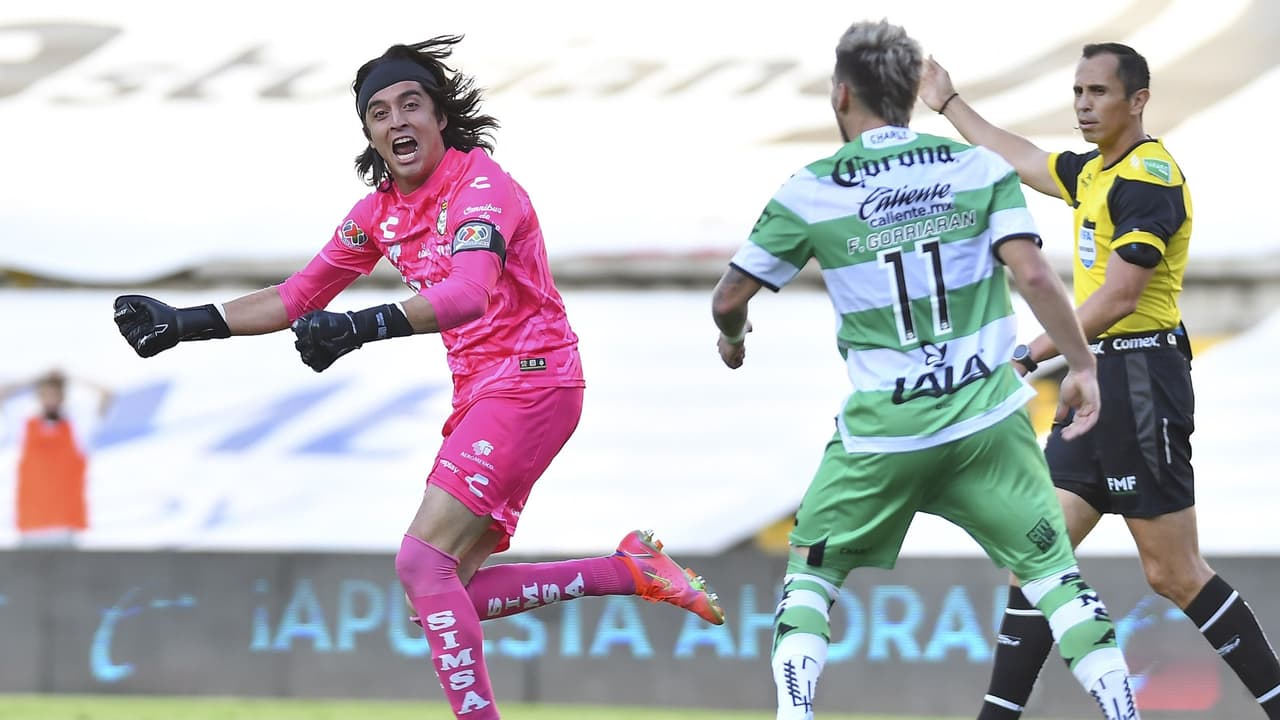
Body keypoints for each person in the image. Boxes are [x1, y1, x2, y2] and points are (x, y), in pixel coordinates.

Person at [112, 35, 723, 720]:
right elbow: (296, 296)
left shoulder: (483, 188)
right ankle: (629, 571)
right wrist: (186, 320)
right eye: (380, 112)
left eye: (411, 104)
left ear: (440, 117)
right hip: (489, 394)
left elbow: (468, 293)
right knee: (436, 593)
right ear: (369, 133)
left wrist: (358, 327)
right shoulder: (379, 212)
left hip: (531, 381)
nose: (397, 121)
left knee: (419, 565)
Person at [712, 20, 1142, 720]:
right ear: (912, 93)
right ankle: (1124, 712)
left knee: (811, 578)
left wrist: (733, 341)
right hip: (988, 420)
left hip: (885, 432)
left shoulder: (812, 188)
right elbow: (1033, 273)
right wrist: (1082, 364)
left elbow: (731, 296)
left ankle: (796, 713)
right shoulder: (977, 168)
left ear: (841, 93)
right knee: (1054, 575)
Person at [920, 43, 1280, 719]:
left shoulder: (1149, 178)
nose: (1083, 104)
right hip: (1098, 381)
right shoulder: (1095, 172)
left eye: (1098, 92)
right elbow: (1021, 158)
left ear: (1137, 100)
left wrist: (1029, 352)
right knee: (1036, 556)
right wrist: (946, 102)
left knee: (1173, 573)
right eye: (1079, 91)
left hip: (1142, 377)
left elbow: (1118, 297)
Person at [1, 370, 112, 546]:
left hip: (65, 527)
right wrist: (36, 378)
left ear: (62, 398)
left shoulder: (77, 429)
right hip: (30, 526)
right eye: (46, 395)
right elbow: (2, 394)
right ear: (39, 397)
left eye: (55, 395)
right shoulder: (24, 428)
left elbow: (107, 395)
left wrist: (70, 377)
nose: (50, 400)